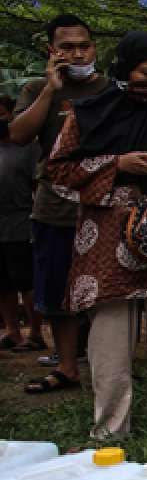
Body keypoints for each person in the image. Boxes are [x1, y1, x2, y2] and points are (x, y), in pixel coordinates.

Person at [45, 31, 147, 443]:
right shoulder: (86, 114)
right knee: (108, 348)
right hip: (106, 246)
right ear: (125, 68)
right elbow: (57, 171)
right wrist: (118, 163)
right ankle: (110, 431)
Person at [10, 14, 109, 393]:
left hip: (103, 207)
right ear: (52, 51)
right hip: (54, 208)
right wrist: (51, 90)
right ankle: (67, 367)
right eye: (67, 47)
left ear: (94, 48)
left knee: (106, 293)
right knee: (57, 292)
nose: (77, 53)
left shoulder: (110, 90)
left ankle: (107, 368)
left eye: (84, 46)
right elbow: (18, 135)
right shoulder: (37, 89)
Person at [0, 96, 45, 351]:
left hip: (21, 224)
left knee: (27, 282)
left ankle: (36, 333)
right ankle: (12, 331)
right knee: (3, 284)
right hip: (1, 225)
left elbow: (38, 186)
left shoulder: (29, 148)